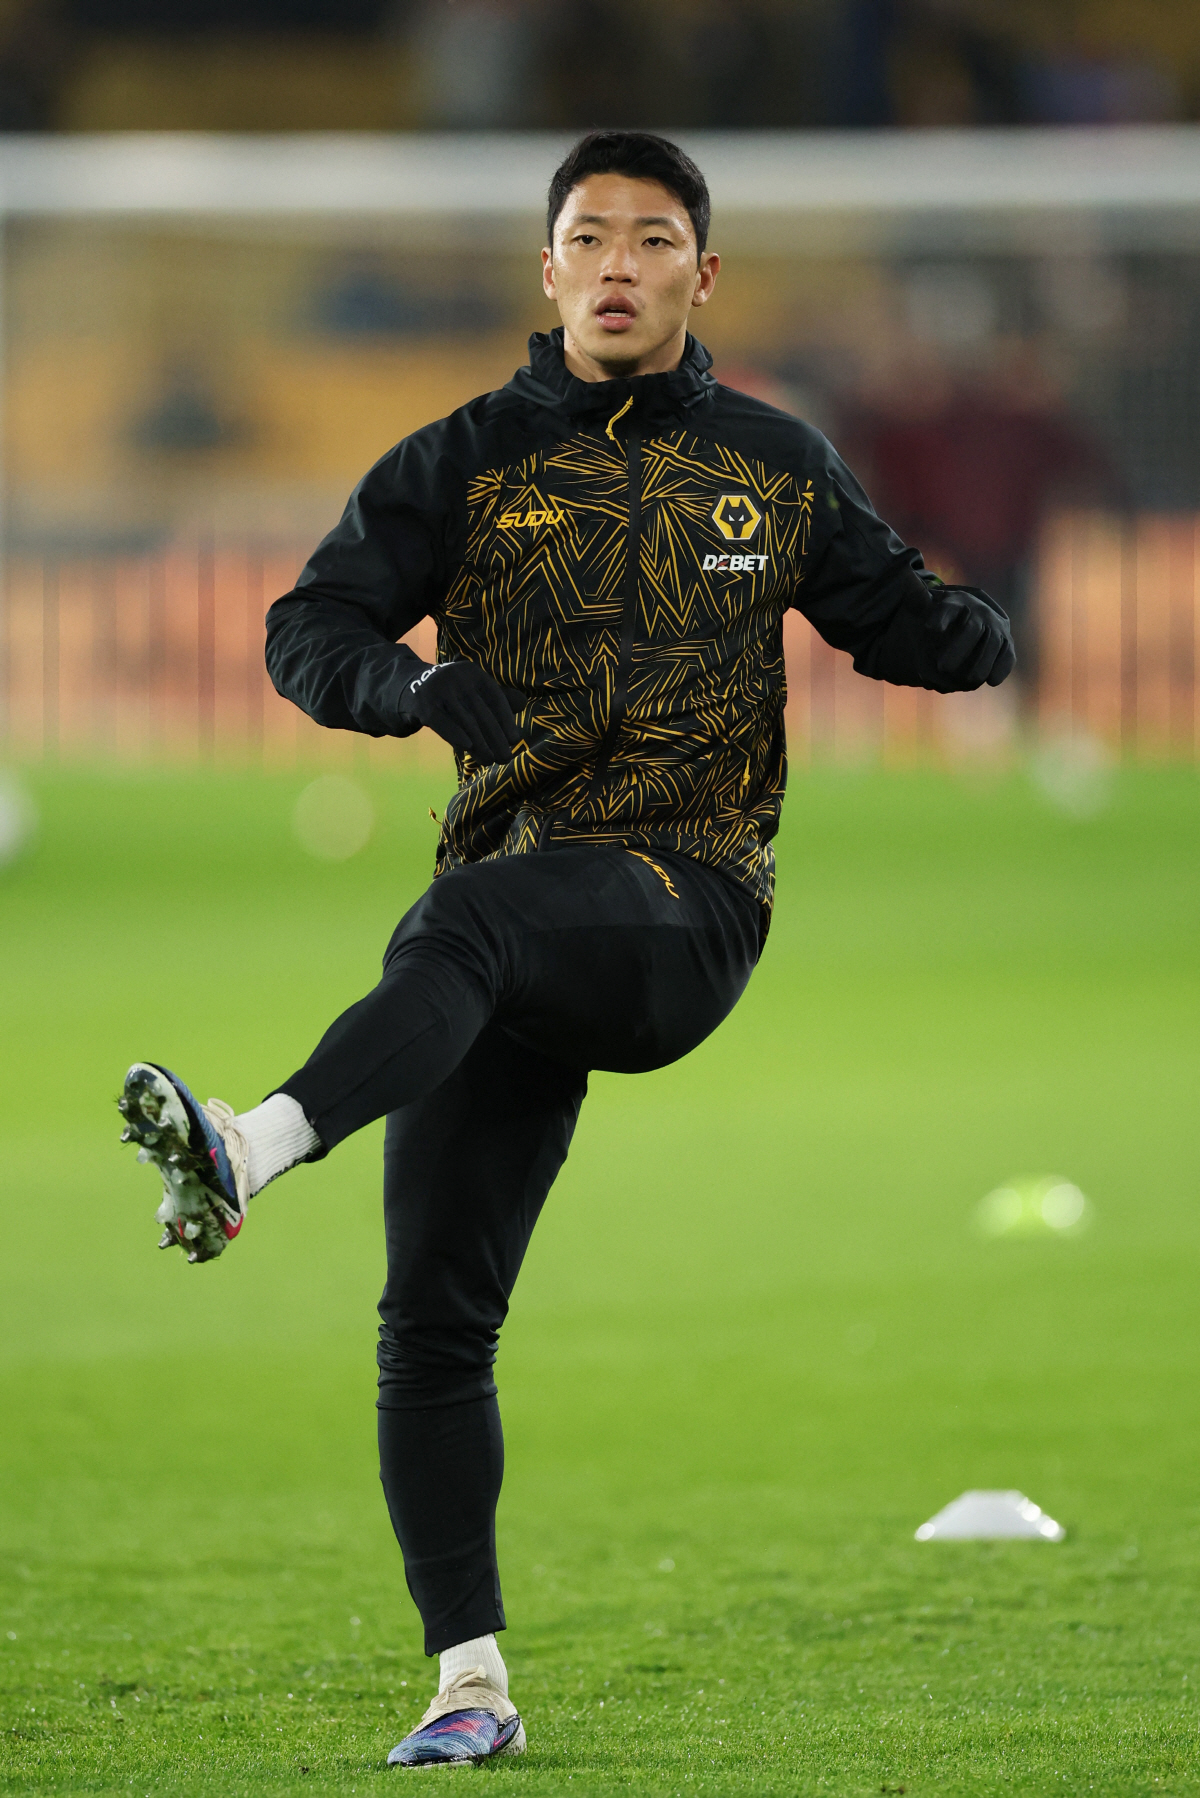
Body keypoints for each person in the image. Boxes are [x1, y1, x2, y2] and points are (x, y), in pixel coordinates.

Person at [117, 130, 1014, 1770]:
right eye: (587, 236)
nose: (617, 262)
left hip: (684, 906)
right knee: (434, 1323)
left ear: (701, 274)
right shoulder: (460, 461)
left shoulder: (778, 463)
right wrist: (401, 687)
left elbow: (902, 612)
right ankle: (472, 1686)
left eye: (651, 238)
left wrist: (963, 633)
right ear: (545, 269)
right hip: (503, 940)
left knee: (450, 921)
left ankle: (248, 1145)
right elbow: (307, 626)